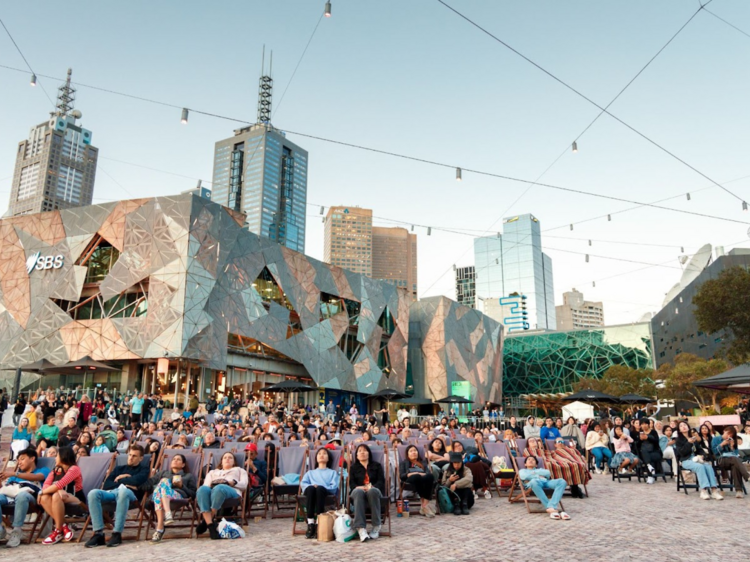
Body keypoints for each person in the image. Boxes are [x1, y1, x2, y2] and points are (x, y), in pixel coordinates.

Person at [85, 444, 150, 548]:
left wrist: (120, 479)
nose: (131, 458)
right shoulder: (119, 469)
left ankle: (117, 533)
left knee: (123, 492)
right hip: (112, 492)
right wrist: (125, 481)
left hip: (130, 495)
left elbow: (137, 480)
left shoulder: (144, 469)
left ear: (141, 458)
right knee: (93, 493)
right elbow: (107, 484)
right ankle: (98, 534)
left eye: (134, 456)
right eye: (130, 455)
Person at [0, 448, 52, 548]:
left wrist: (15, 473)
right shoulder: (14, 478)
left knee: (22, 495)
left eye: (22, 459)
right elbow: (4, 489)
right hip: (10, 497)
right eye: (18, 460)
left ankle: (17, 530)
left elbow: (38, 477)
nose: (19, 462)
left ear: (32, 458)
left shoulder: (43, 470)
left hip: (30, 498)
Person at [38, 446, 86, 545]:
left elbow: (60, 484)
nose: (55, 458)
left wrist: (44, 492)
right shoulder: (55, 470)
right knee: (45, 497)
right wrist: (48, 492)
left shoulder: (74, 469)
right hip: (59, 499)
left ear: (63, 457)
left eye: (57, 456)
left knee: (55, 495)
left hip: (77, 500)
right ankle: (63, 526)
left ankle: (57, 530)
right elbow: (46, 485)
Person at [196, 452, 247, 540]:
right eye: (225, 458)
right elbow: (206, 486)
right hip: (214, 491)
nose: (227, 459)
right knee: (202, 489)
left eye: (230, 458)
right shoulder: (212, 472)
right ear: (221, 462)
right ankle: (211, 526)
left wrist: (234, 483)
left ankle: (206, 521)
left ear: (234, 462)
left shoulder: (240, 470)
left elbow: (244, 485)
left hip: (232, 491)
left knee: (220, 487)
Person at [147, 453, 197, 543]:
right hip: (160, 496)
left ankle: (160, 528)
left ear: (183, 464)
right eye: (174, 459)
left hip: (178, 496)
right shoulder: (163, 473)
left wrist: (182, 486)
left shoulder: (188, 476)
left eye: (178, 459)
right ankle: (166, 517)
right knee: (163, 483)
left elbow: (193, 494)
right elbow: (150, 483)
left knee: (163, 483)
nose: (175, 460)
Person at [675, 421, 723, 500]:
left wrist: (703, 455)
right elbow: (682, 453)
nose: (683, 426)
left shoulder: (693, 438)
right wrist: (688, 443)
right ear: (679, 430)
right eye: (681, 426)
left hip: (697, 459)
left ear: (688, 427)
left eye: (685, 425)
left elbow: (700, 450)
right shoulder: (679, 440)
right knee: (700, 467)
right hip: (686, 460)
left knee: (708, 466)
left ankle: (714, 490)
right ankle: (703, 490)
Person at [300, 448, 340, 539]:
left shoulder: (333, 473)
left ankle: (319, 523)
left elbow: (334, 487)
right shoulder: (310, 473)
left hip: (325, 493)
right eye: (319, 454)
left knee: (319, 489)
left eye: (324, 453)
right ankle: (310, 524)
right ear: (316, 458)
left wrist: (320, 486)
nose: (321, 455)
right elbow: (303, 484)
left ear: (328, 458)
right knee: (310, 489)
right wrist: (312, 485)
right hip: (310, 492)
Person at [349, 444, 385, 542]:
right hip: (358, 491)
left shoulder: (377, 466)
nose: (362, 452)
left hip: (374, 491)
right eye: (359, 451)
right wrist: (360, 487)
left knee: (372, 491)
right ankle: (361, 529)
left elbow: (381, 481)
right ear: (356, 455)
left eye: (365, 450)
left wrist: (371, 487)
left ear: (369, 454)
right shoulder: (353, 468)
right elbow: (351, 484)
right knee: (358, 491)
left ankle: (376, 526)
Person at [518, 455, 569, 520]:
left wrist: (533, 473)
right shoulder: (522, 471)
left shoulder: (540, 469)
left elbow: (547, 473)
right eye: (529, 459)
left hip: (546, 482)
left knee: (562, 481)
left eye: (533, 460)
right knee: (534, 481)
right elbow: (523, 476)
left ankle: (551, 507)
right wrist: (538, 476)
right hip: (534, 483)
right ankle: (551, 507)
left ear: (536, 465)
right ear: (525, 464)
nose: (531, 460)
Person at [399, 445, 435, 517]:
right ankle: (425, 506)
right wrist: (412, 474)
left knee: (430, 476)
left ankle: (424, 505)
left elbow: (428, 473)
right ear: (408, 454)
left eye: (415, 451)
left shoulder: (423, 462)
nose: (413, 452)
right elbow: (402, 476)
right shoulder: (404, 463)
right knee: (417, 476)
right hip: (410, 480)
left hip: (423, 478)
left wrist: (420, 473)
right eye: (411, 451)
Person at [712, 426, 749, 498]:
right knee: (735, 460)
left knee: (735, 465)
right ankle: (747, 476)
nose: (729, 436)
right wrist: (722, 444)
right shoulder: (715, 439)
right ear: (724, 431)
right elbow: (715, 453)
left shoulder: (733, 440)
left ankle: (739, 491)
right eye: (728, 433)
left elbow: (736, 454)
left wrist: (732, 446)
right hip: (721, 460)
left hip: (732, 460)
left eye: (731, 434)